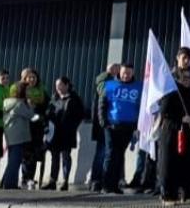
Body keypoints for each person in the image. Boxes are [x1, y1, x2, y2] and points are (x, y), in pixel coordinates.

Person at [155, 56, 190, 204]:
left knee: (187, 161)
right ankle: (168, 193)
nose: (189, 81)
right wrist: (180, 118)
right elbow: (165, 109)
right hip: (172, 129)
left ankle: (187, 192)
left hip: (188, 128)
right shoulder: (170, 87)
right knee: (169, 161)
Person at [98, 64, 143, 194]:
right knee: (110, 154)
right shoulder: (110, 85)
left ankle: (115, 184)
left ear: (132, 73)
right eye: (124, 72)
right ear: (120, 72)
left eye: (128, 73)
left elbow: (141, 107)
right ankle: (106, 185)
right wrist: (103, 122)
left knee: (119, 155)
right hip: (111, 125)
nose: (126, 75)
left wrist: (137, 127)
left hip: (128, 126)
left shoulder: (139, 87)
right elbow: (102, 104)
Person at [46, 76, 86, 190]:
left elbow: (80, 114)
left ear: (67, 85)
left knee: (65, 156)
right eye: (56, 85)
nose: (58, 88)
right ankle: (52, 180)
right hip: (55, 132)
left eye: (60, 85)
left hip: (67, 132)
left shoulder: (74, 99)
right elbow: (49, 112)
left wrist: (73, 126)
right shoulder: (55, 98)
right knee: (54, 156)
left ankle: (65, 180)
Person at [16, 69, 50, 190]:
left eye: (34, 77)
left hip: (37, 126)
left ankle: (30, 178)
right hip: (25, 125)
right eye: (29, 77)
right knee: (25, 153)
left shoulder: (42, 91)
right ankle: (24, 178)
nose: (32, 79)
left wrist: (39, 109)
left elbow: (47, 107)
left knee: (35, 153)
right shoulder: (20, 90)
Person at [88, 63, 120, 191]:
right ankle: (96, 180)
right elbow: (104, 96)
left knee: (109, 154)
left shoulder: (111, 81)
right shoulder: (104, 81)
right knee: (102, 153)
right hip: (104, 125)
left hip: (110, 124)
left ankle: (104, 180)